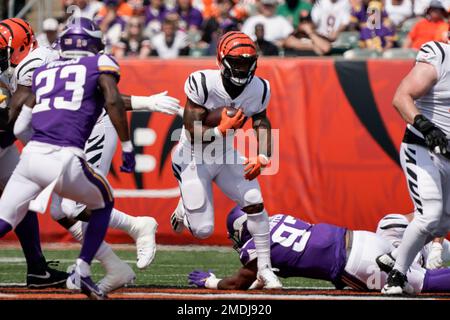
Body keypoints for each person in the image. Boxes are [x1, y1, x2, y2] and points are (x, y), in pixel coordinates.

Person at [2, 17, 181, 293]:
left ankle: (137, 228)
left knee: (70, 207)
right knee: (60, 210)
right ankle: (115, 264)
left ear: (21, 46)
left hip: (90, 127)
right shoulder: (23, 65)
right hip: (61, 136)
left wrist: (148, 102)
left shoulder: (35, 67)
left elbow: (99, 96)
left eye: (2, 48)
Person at [170, 31, 282, 289]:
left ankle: (265, 269)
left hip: (224, 153)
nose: (243, 67)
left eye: (247, 62)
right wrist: (221, 128)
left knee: (255, 201)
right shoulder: (202, 82)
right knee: (203, 231)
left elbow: (262, 122)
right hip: (193, 157)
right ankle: (183, 207)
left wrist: (264, 156)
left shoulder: (260, 87)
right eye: (237, 62)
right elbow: (190, 129)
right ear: (222, 60)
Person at [188, 207, 450, 293]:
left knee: (422, 284)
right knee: (391, 222)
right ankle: (434, 247)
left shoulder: (253, 246)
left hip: (354, 264)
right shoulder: (278, 218)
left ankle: (432, 252)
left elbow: (238, 282)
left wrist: (212, 282)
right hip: (363, 239)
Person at [376, 37, 450, 294]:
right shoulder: (440, 56)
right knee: (429, 215)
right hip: (423, 147)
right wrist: (427, 127)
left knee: (441, 224)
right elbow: (401, 97)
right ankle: (396, 277)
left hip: (448, 155)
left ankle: (394, 256)